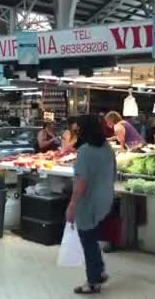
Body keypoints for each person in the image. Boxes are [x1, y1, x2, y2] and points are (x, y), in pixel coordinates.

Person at [65, 114, 116, 294]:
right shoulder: (108, 148)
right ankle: (99, 271)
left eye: (78, 128)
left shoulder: (86, 151)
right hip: (105, 198)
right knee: (93, 238)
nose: (76, 131)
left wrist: (72, 204)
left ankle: (93, 282)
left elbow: (82, 182)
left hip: (89, 201)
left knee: (87, 240)